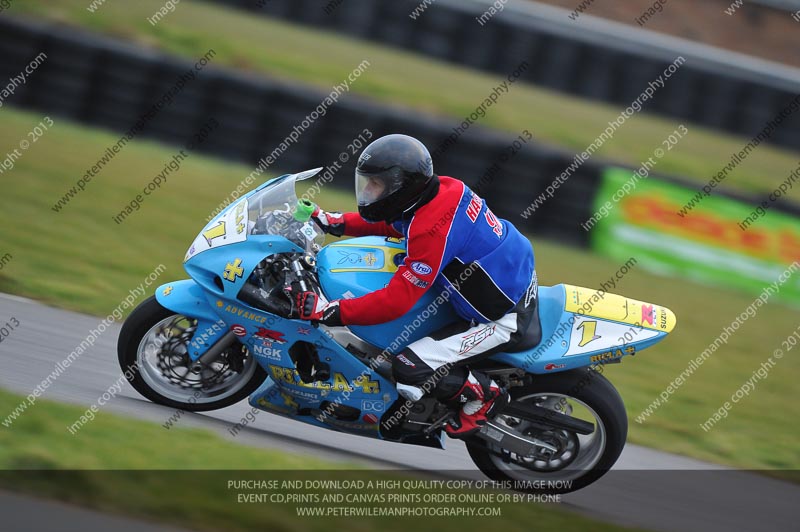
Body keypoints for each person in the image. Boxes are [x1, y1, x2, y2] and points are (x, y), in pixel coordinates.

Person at [295, 134, 539, 439]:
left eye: (376, 185)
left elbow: (395, 302)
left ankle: (486, 395)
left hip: (503, 319)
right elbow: (394, 221)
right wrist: (336, 222)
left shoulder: (430, 232)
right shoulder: (443, 189)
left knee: (411, 367)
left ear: (402, 188)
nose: (368, 192)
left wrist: (331, 311)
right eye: (368, 183)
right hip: (511, 274)